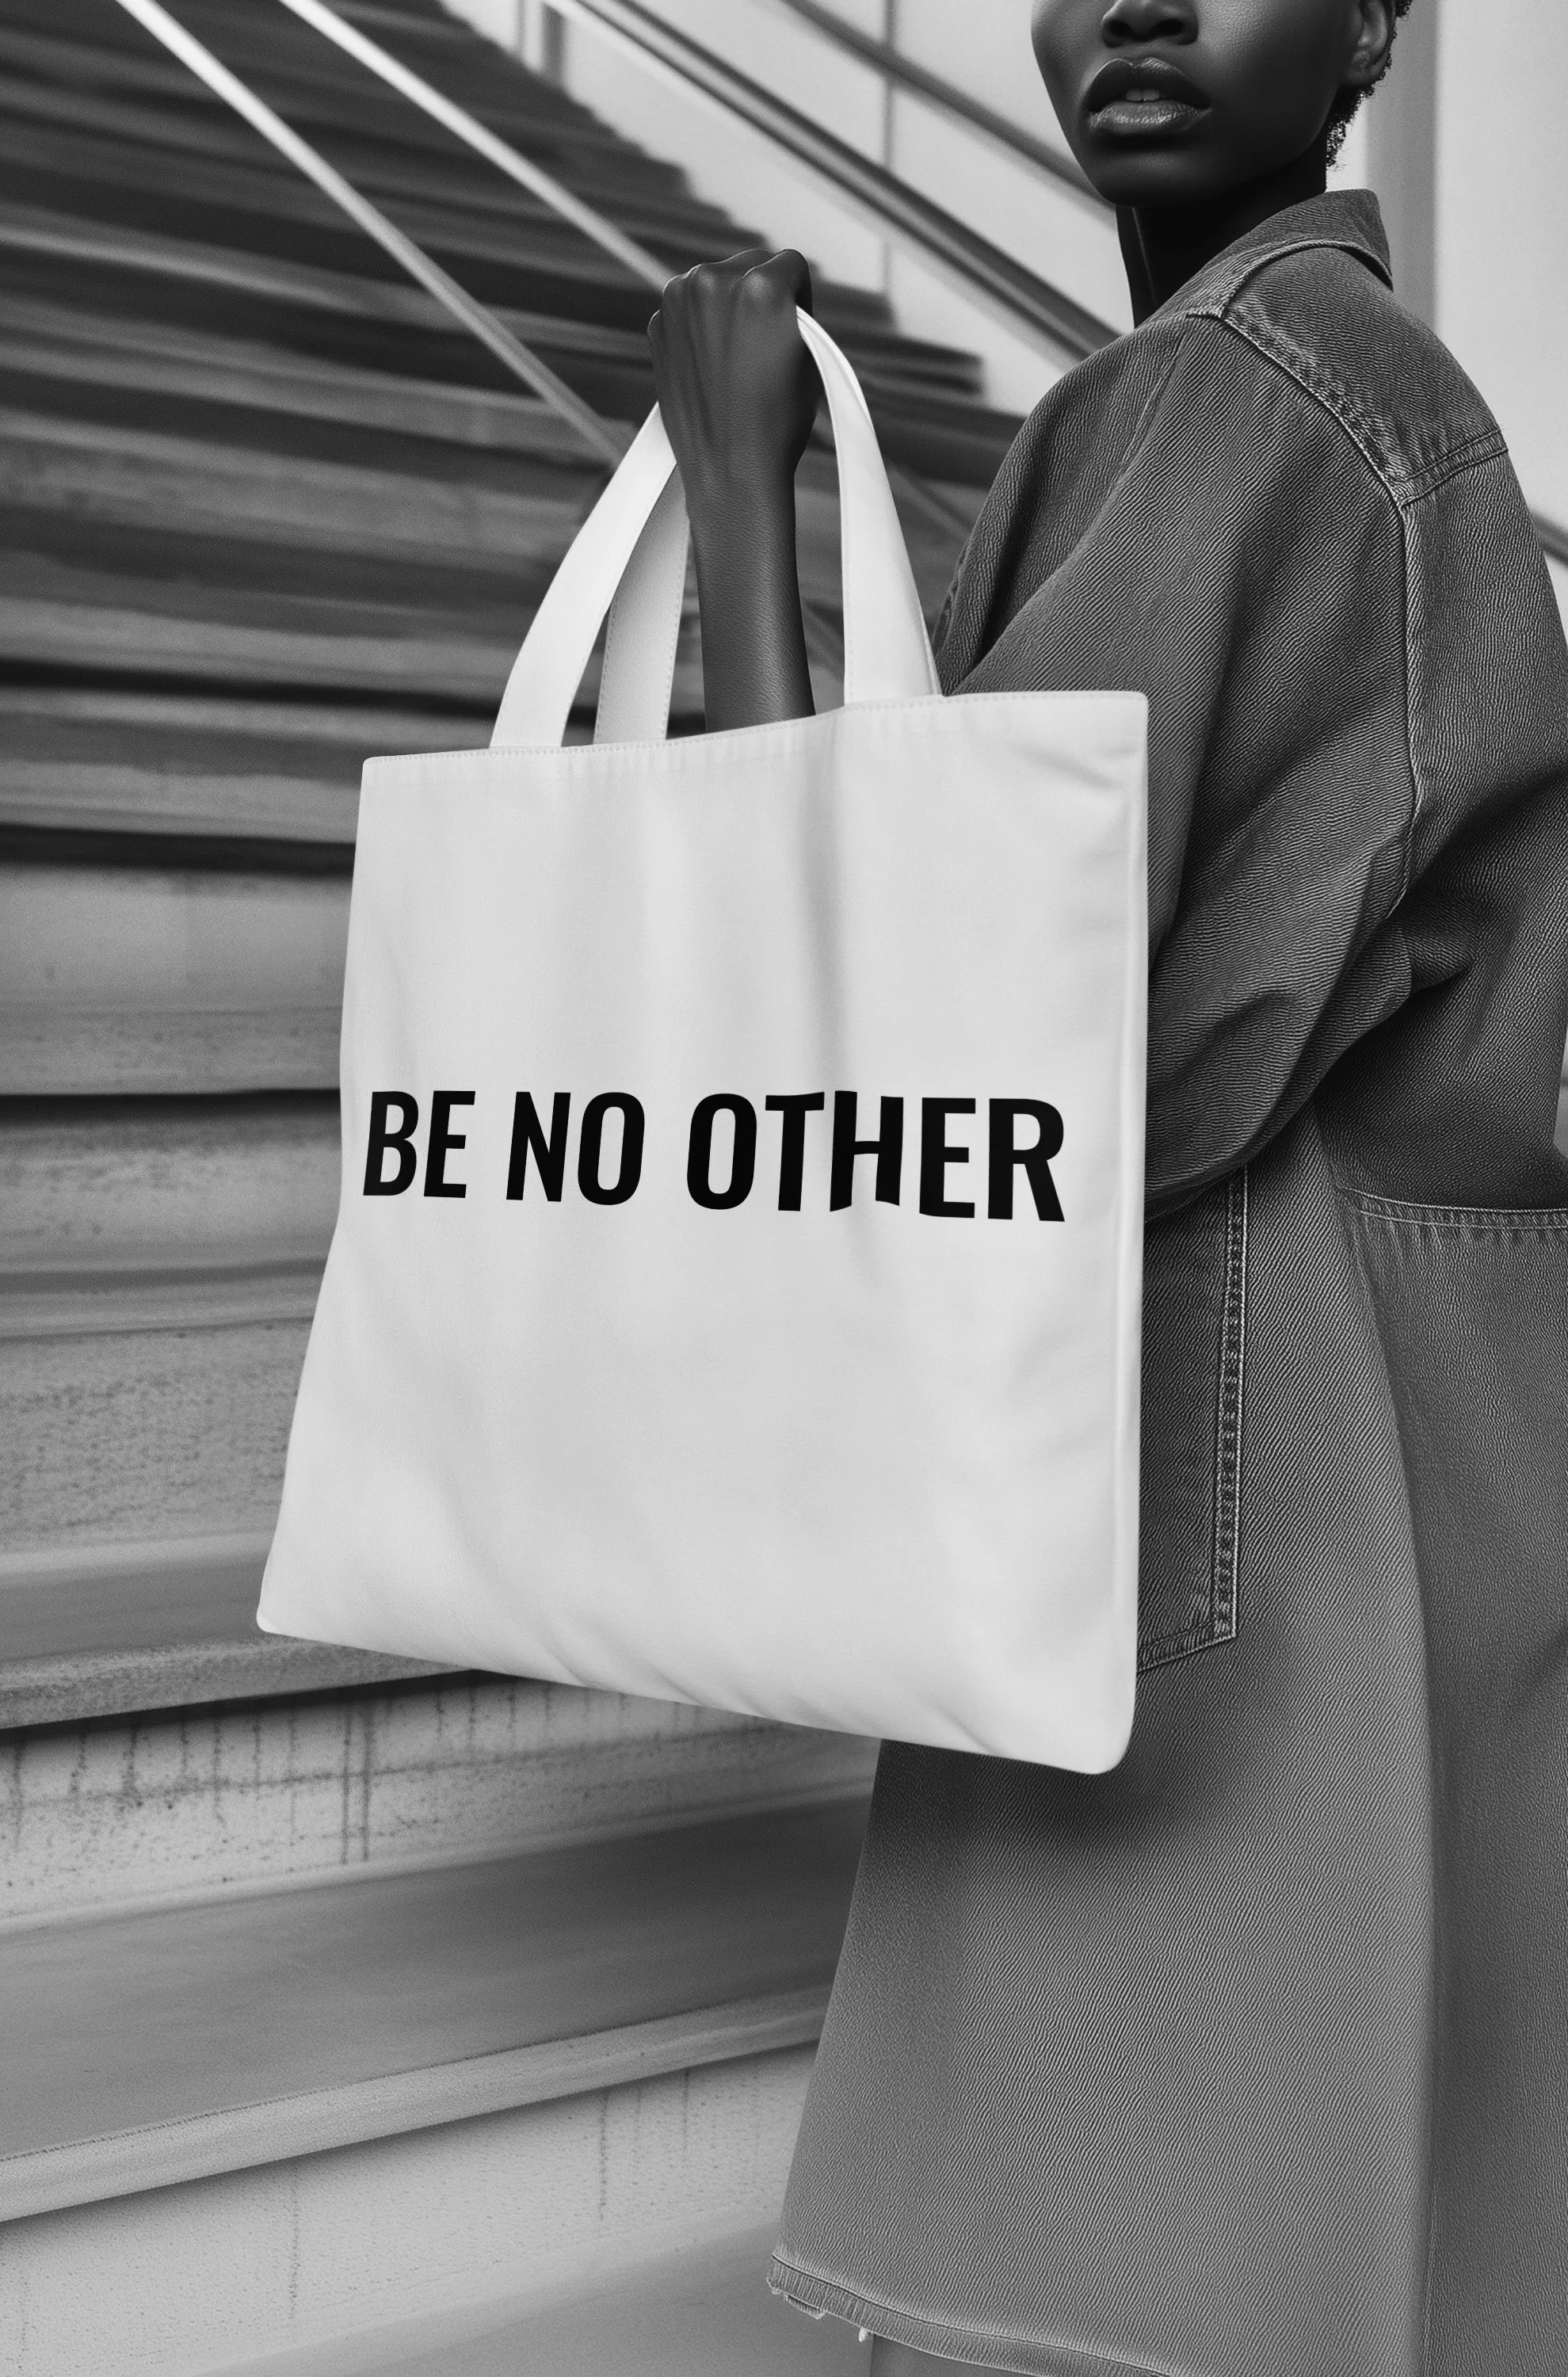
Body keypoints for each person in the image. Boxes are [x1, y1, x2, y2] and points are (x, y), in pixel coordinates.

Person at [647, 2, 1568, 2369]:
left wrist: (738, 483)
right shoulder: (1383, 403)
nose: (1135, 2)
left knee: (1152, 2248)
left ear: (1370, 25)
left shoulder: (1238, 393)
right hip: (1413, 1429)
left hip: (1230, 1469)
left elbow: (903, 1006)